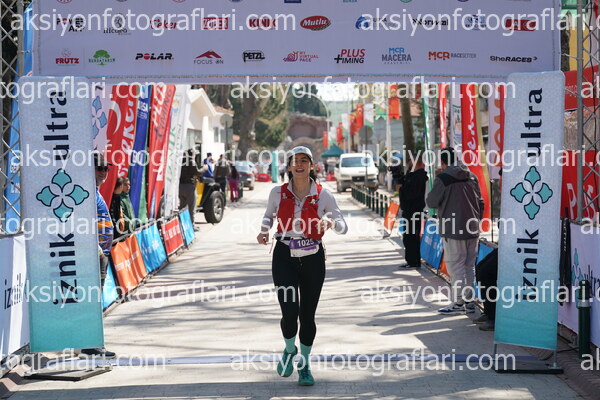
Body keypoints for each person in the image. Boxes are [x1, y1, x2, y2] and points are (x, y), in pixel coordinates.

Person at [257, 146, 348, 386]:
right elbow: (268, 216)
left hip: (312, 258)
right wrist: (264, 230)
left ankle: (305, 365)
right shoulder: (277, 193)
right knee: (289, 313)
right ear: (288, 166)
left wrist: (330, 222)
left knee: (307, 316)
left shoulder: (323, 195)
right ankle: (290, 350)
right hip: (284, 255)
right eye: (295, 161)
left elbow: (343, 225)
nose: (299, 165)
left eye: (304, 161)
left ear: (311, 165)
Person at [426, 147, 484, 314]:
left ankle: (459, 302)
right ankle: (469, 302)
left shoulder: (443, 178)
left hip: (453, 228)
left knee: (455, 267)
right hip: (472, 228)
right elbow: (480, 202)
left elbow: (431, 202)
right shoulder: (471, 176)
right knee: (469, 266)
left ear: (443, 162)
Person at [81, 153, 116, 359]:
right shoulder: (87, 192)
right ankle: (90, 346)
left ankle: (92, 343)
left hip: (101, 254)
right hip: (94, 255)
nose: (104, 172)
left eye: (106, 168)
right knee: (92, 301)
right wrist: (95, 247)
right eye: (100, 168)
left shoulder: (94, 191)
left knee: (95, 299)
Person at [398, 155, 428, 269]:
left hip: (414, 211)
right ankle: (411, 260)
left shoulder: (419, 177)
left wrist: (401, 189)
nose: (408, 162)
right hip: (410, 210)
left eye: (410, 160)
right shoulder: (412, 175)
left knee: (411, 237)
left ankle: (413, 261)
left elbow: (411, 194)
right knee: (408, 236)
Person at [179, 149, 203, 227]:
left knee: (182, 207)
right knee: (191, 207)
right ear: (192, 154)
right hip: (189, 186)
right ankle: (191, 226)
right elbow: (197, 172)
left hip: (181, 186)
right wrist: (204, 169)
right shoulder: (191, 161)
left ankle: (181, 224)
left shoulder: (181, 161)